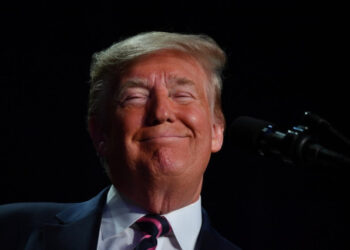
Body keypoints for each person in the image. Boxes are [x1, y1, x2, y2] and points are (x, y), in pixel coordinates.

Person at [0, 31, 241, 250]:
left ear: (216, 130)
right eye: (135, 97)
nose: (161, 112)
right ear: (100, 133)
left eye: (182, 95)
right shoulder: (10, 231)